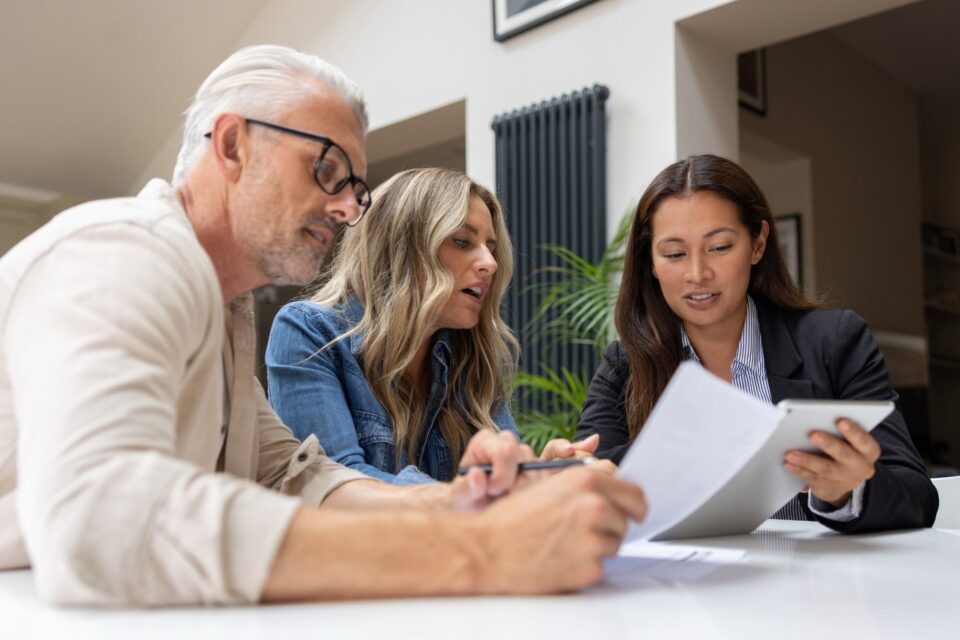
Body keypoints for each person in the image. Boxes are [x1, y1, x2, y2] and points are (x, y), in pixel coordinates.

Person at [0, 44, 646, 606]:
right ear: (232, 145)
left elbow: (297, 477)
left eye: (353, 187)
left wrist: (470, 501)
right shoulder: (122, 253)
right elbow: (102, 517)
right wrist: (476, 548)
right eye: (327, 170)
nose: (345, 208)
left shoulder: (223, 313)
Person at [570, 154, 936, 533]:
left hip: (816, 586)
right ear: (650, 262)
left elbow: (917, 498)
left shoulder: (835, 342)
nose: (698, 274)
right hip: (684, 584)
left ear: (758, 244)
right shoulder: (625, 363)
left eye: (720, 247)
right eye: (675, 254)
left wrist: (847, 491)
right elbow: (588, 480)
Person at [266, 167, 524, 484]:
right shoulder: (309, 331)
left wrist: (540, 475)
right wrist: (459, 496)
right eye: (461, 241)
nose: (491, 263)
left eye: (491, 248)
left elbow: (503, 480)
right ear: (401, 249)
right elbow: (333, 484)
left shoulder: (474, 354)